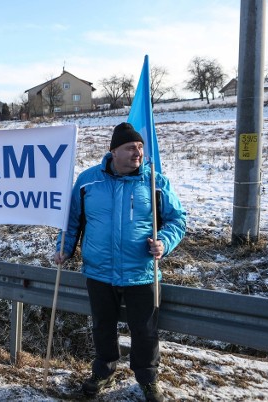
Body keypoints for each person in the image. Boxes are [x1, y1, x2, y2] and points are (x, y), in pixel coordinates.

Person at [53, 122, 186, 402]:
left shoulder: (155, 182)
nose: (137, 153)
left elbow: (177, 219)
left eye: (140, 147)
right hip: (99, 270)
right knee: (102, 325)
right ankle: (103, 370)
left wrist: (164, 241)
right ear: (113, 151)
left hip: (142, 271)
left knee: (145, 330)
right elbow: (72, 219)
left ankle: (148, 379)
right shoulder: (88, 181)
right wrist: (64, 249)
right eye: (130, 148)